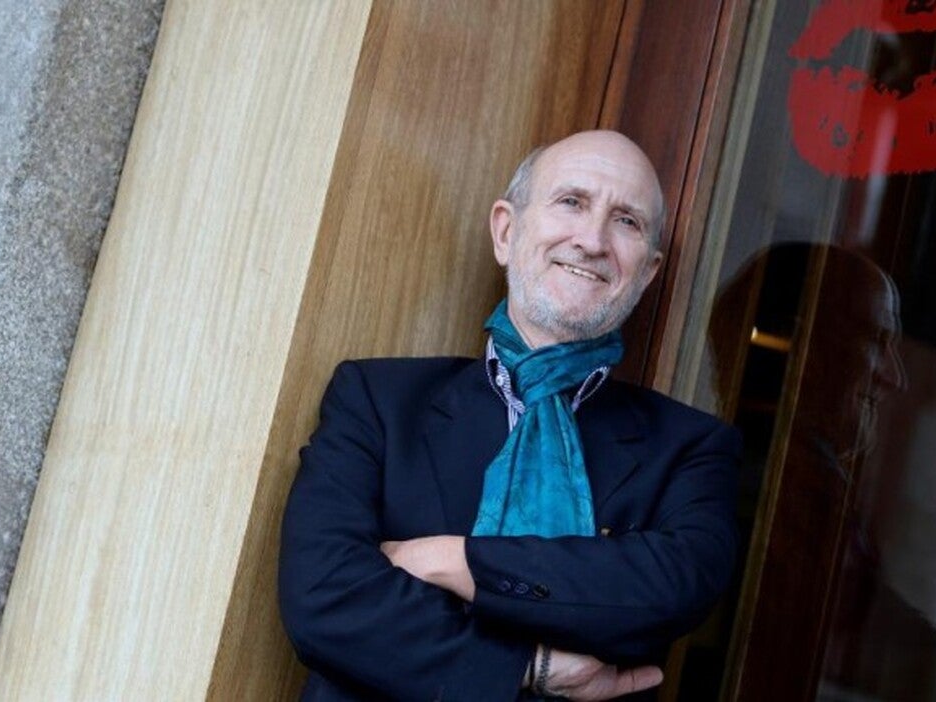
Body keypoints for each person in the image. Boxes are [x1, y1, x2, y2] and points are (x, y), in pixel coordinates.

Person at [278, 130, 741, 701]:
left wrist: (453, 559)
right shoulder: (378, 400)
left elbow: (672, 588)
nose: (592, 239)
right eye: (571, 202)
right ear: (505, 231)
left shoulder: (691, 447)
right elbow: (324, 598)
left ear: (646, 271)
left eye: (626, 221)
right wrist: (530, 668)